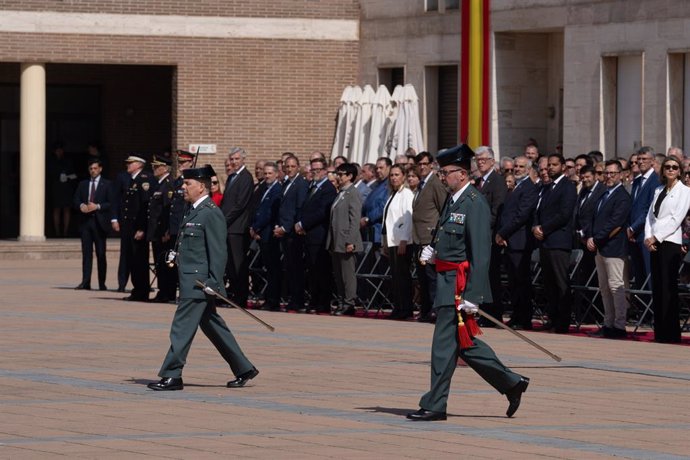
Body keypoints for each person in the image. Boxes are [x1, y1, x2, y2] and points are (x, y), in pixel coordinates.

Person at [407, 144, 529, 422]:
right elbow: (449, 236)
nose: (442, 177)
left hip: (459, 286)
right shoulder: (454, 199)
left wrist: (474, 294)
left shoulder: (474, 202)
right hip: (447, 279)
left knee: (442, 345)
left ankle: (435, 404)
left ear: (461, 174)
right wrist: (435, 251)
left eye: (446, 172)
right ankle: (511, 383)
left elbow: (481, 252)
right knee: (463, 345)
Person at [148, 165, 258, 391]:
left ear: (202, 186)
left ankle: (172, 375)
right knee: (213, 325)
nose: (184, 187)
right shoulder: (192, 210)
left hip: (198, 283)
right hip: (190, 278)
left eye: (188, 184)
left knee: (181, 328)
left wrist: (213, 282)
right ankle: (243, 367)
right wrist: (175, 253)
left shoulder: (211, 213)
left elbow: (218, 252)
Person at [644, 156, 690, 343]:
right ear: (663, 170)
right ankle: (660, 332)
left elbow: (676, 218)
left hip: (670, 242)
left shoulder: (685, 191)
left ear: (679, 171)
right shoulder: (658, 190)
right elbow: (650, 216)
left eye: (674, 167)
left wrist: (657, 236)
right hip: (654, 241)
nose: (671, 170)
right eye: (667, 167)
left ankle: (671, 333)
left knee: (668, 287)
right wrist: (648, 237)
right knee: (657, 286)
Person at [586, 160, 632, 339]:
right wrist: (590, 236)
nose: (609, 176)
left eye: (613, 173)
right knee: (604, 288)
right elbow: (593, 217)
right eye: (606, 173)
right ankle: (608, 323)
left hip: (613, 248)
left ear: (620, 175)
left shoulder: (622, 196)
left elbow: (616, 222)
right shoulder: (603, 194)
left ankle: (619, 326)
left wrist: (597, 239)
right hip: (600, 247)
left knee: (616, 286)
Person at [532, 154, 577, 333]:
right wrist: (535, 226)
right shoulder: (546, 187)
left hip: (558, 240)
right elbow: (538, 209)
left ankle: (562, 322)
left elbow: (564, 214)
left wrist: (544, 228)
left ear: (563, 167)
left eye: (554, 165)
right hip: (545, 241)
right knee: (549, 283)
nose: (550, 168)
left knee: (560, 282)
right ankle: (552, 317)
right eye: (549, 165)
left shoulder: (568, 187)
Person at [496, 156, 539, 330]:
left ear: (528, 169)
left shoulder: (529, 188)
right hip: (509, 241)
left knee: (522, 282)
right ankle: (515, 315)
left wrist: (502, 232)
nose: (517, 169)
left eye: (521, 167)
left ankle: (524, 317)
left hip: (520, 241)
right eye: (515, 167)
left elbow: (521, 215)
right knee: (513, 282)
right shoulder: (515, 187)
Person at [295, 158, 338, 313]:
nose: (315, 173)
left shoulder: (328, 188)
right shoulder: (311, 186)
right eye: (312, 170)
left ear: (325, 171)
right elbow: (304, 207)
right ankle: (313, 300)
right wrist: (300, 223)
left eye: (318, 170)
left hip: (319, 235)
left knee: (321, 270)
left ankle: (323, 302)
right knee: (312, 271)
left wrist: (303, 224)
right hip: (308, 235)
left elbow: (322, 212)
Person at [473, 146, 508, 326]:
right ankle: (485, 312)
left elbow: (497, 210)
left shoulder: (497, 181)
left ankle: (494, 315)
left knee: (491, 277)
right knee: (482, 277)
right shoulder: (479, 182)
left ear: (492, 161)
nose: (480, 163)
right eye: (478, 160)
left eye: (484, 160)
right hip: (479, 238)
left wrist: (481, 228)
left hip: (489, 237)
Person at [412, 151, 447, 323]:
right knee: (423, 279)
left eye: (425, 164)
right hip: (419, 238)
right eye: (419, 164)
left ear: (432, 164)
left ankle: (435, 310)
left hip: (430, 238)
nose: (422, 167)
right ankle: (426, 309)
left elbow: (444, 210)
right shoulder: (421, 185)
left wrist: (438, 236)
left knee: (432, 278)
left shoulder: (435, 184)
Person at [327, 163, 363, 316]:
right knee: (339, 273)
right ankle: (342, 301)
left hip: (346, 239)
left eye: (341, 174)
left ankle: (349, 303)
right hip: (336, 239)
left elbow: (354, 219)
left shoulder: (352, 193)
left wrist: (351, 240)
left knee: (347, 274)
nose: (338, 176)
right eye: (338, 173)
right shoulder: (340, 193)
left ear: (349, 176)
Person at [274, 154, 309, 311]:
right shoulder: (286, 183)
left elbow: (299, 207)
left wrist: (286, 227)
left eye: (292, 166)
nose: (289, 169)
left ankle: (297, 300)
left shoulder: (301, 184)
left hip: (293, 233)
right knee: (289, 267)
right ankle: (292, 299)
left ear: (298, 167)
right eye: (287, 166)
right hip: (284, 231)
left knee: (296, 268)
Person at [73, 159, 113, 291]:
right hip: (86, 223)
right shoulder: (83, 184)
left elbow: (111, 203)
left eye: (95, 168)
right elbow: (76, 200)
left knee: (101, 254)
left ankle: (102, 283)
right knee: (86, 254)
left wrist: (98, 206)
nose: (93, 171)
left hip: (100, 223)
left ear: (100, 169)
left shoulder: (107, 184)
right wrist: (81, 206)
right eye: (91, 168)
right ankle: (86, 282)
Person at [221, 147, 254, 307]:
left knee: (238, 264)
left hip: (237, 228)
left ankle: (241, 297)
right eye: (232, 159)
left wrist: (224, 220)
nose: (234, 162)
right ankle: (234, 295)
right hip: (228, 227)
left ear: (243, 159)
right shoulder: (231, 177)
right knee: (231, 265)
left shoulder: (246, 177)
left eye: (237, 159)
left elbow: (240, 204)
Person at [382, 164, 415, 319]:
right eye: (392, 175)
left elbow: (408, 218)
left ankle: (406, 308)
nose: (394, 178)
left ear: (403, 176)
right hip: (392, 241)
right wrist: (385, 242)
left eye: (397, 175)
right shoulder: (392, 194)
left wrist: (404, 239)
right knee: (396, 277)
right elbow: (387, 220)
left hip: (402, 242)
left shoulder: (406, 194)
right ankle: (398, 306)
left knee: (403, 276)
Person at [249, 162, 283, 311]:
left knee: (273, 269)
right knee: (268, 268)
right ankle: (269, 298)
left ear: (276, 174)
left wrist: (256, 227)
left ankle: (273, 299)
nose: (267, 176)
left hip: (270, 233)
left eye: (270, 173)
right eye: (266, 173)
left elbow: (269, 213)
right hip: (262, 233)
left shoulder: (277, 189)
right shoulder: (265, 189)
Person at [119, 155, 152, 302]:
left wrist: (142, 228)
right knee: (131, 259)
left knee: (139, 260)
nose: (128, 165)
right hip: (129, 226)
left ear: (138, 165)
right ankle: (137, 289)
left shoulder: (143, 180)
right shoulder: (132, 180)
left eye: (130, 163)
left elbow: (144, 207)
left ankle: (142, 291)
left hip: (137, 227)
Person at [628, 146, 660, 288]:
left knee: (649, 277)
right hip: (634, 236)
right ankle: (642, 309)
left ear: (652, 161)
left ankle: (653, 309)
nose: (640, 162)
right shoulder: (636, 181)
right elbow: (633, 207)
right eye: (638, 159)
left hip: (647, 235)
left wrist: (633, 227)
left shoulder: (656, 180)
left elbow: (649, 209)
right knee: (639, 277)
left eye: (644, 159)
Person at [147, 154, 176, 303]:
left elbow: (168, 211)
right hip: (156, 231)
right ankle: (162, 291)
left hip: (163, 232)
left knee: (165, 264)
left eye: (157, 166)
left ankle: (167, 293)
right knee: (159, 263)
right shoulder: (159, 184)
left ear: (165, 168)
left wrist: (167, 231)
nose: (154, 169)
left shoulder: (169, 185)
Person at [48, 142, 78, 236]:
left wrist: (68, 177)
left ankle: (65, 232)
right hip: (56, 187)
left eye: (61, 149)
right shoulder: (51, 161)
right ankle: (57, 232)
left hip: (66, 188)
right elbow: (49, 173)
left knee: (66, 209)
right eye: (57, 150)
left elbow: (74, 173)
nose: (59, 151)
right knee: (56, 209)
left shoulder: (67, 160)